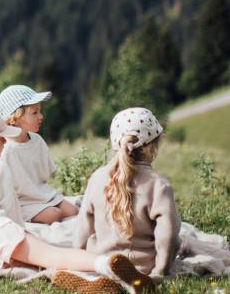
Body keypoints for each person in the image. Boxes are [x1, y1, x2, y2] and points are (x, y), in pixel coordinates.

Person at [0, 104, 155, 294]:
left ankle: (86, 280)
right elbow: (9, 210)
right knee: (50, 253)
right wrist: (21, 233)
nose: (5, 140)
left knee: (27, 262)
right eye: (0, 136)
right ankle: (104, 264)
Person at [74, 107, 181, 280]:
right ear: (152, 146)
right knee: (179, 241)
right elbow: (167, 236)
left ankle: (104, 278)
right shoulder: (159, 185)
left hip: (103, 263)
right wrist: (160, 272)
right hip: (145, 267)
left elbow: (83, 229)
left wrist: (78, 259)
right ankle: (137, 280)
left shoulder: (97, 178)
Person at [0, 85, 78, 224]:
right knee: (54, 214)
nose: (41, 116)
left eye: (40, 111)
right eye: (34, 113)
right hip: (22, 203)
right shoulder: (5, 149)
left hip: (42, 196)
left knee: (73, 211)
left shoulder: (37, 140)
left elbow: (45, 174)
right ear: (14, 118)